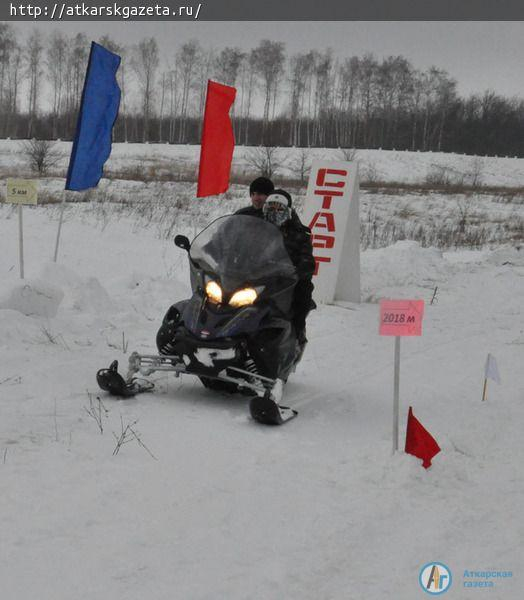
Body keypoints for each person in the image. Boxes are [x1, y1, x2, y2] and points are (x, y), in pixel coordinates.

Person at [262, 189, 315, 345]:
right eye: (271, 208)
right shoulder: (258, 228)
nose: (275, 212)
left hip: (287, 280)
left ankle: (297, 334)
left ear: (288, 211)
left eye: (279, 208)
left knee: (303, 292)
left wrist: (300, 269)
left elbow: (307, 258)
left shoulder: (299, 233)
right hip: (258, 274)